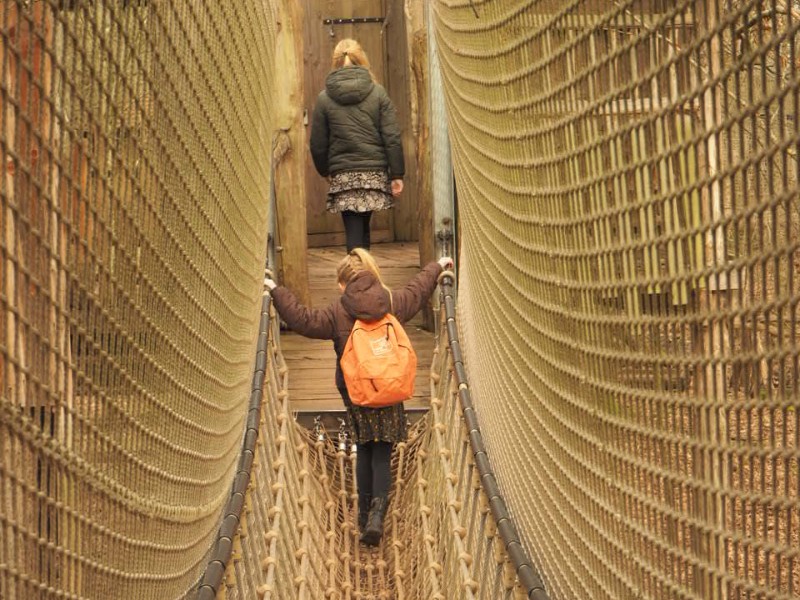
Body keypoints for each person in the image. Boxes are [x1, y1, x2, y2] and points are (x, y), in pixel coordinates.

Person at [264, 250, 453, 546]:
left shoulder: (336, 312)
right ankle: (378, 513)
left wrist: (275, 290)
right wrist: (438, 266)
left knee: (364, 446)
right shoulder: (388, 301)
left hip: (357, 391)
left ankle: (364, 516)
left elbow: (302, 319)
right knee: (382, 450)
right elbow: (417, 290)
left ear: (343, 283)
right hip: (389, 387)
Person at [309, 39, 405, 252]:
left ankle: (358, 278)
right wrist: (397, 174)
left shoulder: (324, 99)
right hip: (373, 173)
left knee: (354, 230)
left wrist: (325, 170)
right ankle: (364, 277)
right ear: (363, 60)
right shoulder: (378, 93)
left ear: (335, 62)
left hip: (343, 175)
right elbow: (391, 136)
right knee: (362, 228)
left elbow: (317, 143)